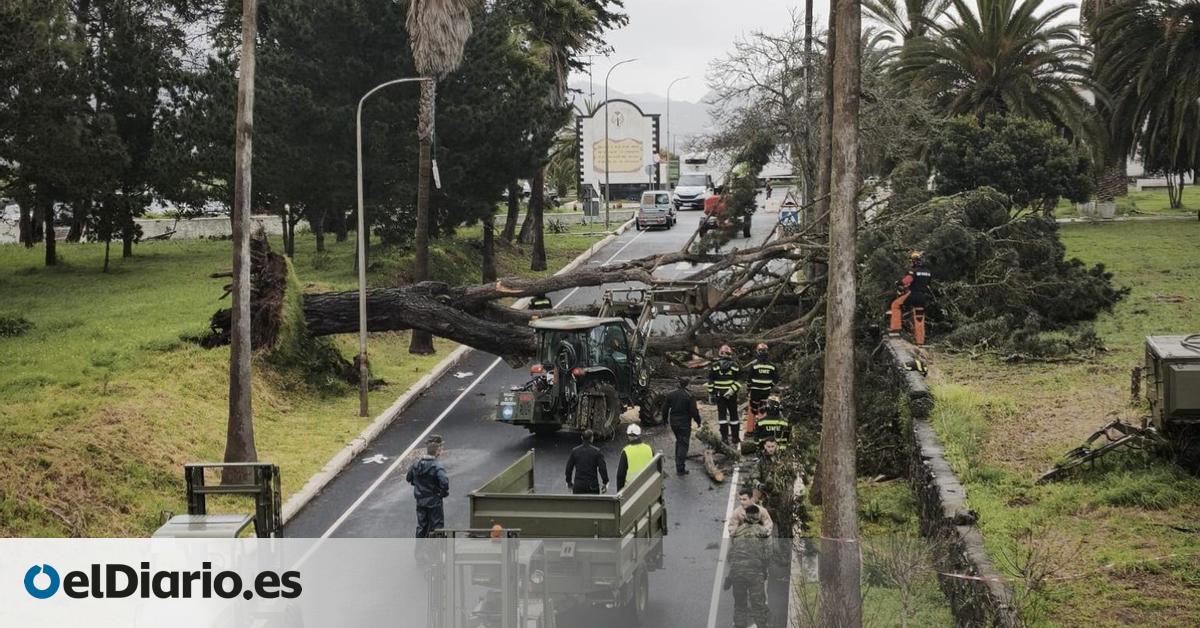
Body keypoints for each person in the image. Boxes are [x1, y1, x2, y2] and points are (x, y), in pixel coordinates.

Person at [724, 505, 772, 628]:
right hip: (755, 575)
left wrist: (730, 576)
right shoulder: (762, 532)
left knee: (740, 605)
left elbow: (732, 556)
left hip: (737, 574)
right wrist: (764, 571)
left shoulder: (737, 532)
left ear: (745, 516)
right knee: (758, 607)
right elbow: (767, 555)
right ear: (757, 517)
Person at [406, 436, 449, 538]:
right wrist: (442, 493)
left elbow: (408, 478)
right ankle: (437, 550)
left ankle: (419, 552)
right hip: (434, 501)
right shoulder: (437, 466)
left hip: (420, 500)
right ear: (438, 451)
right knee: (437, 526)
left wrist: (417, 485)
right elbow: (444, 482)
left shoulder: (416, 464)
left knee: (422, 525)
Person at [888, 251, 933, 345]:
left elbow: (907, 280)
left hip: (912, 295)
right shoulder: (928, 272)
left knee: (895, 304)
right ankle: (920, 342)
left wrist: (898, 283)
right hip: (923, 297)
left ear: (915, 261)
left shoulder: (913, 271)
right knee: (919, 318)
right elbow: (926, 284)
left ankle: (896, 329)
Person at [661, 377, 702, 475]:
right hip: (684, 423)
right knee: (683, 444)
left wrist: (664, 419)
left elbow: (664, 408)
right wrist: (698, 421)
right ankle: (680, 468)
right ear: (687, 384)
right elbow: (694, 411)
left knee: (679, 441)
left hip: (674, 422)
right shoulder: (690, 396)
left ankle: (678, 462)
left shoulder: (671, 394)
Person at [707, 345, 743, 445]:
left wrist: (712, 394)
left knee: (722, 417)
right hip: (731, 395)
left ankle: (724, 438)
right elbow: (740, 380)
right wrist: (732, 390)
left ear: (720, 354)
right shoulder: (735, 365)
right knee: (734, 416)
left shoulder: (714, 366)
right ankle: (735, 438)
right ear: (730, 354)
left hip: (719, 395)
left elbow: (711, 381)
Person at [565, 429, 609, 494]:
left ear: (582, 438)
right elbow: (602, 469)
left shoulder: (575, 451)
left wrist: (569, 482)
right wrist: (605, 482)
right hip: (593, 487)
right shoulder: (597, 452)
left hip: (578, 486)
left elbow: (568, 468)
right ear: (592, 438)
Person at [616, 424, 654, 491]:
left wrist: (619, 491)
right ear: (639, 435)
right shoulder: (649, 448)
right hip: (647, 485)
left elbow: (621, 475)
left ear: (628, 436)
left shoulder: (626, 451)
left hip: (631, 488)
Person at [745, 343, 779, 415]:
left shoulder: (754, 366)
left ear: (758, 352)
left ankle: (755, 424)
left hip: (755, 392)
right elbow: (776, 378)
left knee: (754, 410)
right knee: (763, 410)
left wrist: (748, 390)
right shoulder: (772, 366)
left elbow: (749, 379)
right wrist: (771, 385)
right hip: (766, 391)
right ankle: (761, 422)